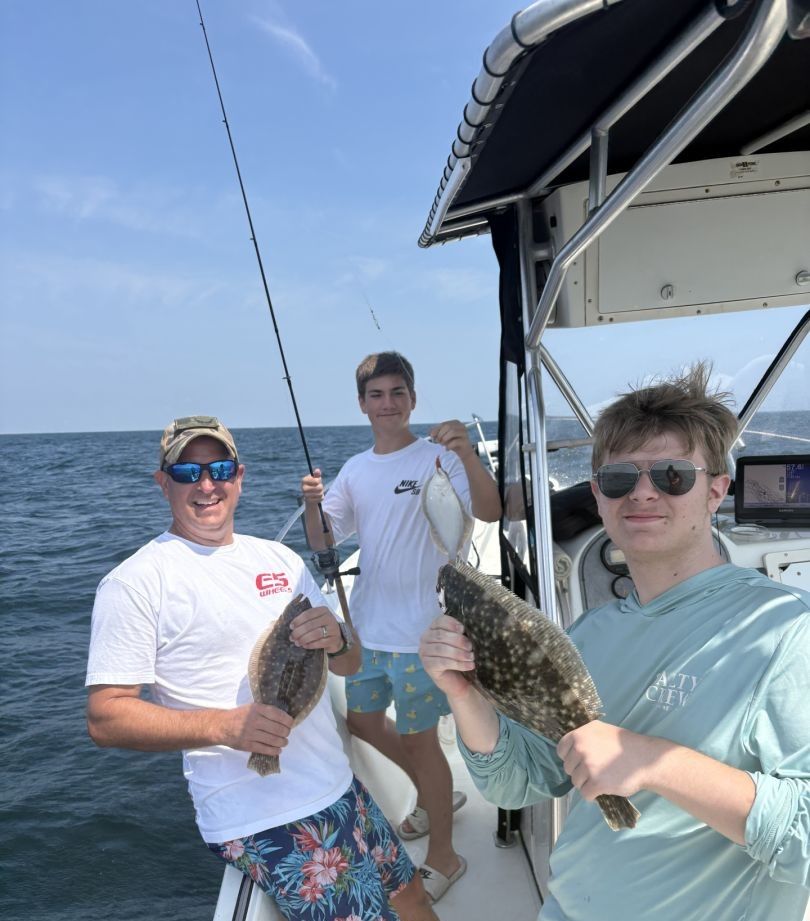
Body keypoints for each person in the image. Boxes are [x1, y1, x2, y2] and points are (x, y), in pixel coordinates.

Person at [420, 365, 810, 921]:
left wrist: (655, 762)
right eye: (619, 479)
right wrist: (465, 693)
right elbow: (518, 781)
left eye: (672, 476)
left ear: (715, 491)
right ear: (599, 496)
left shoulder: (783, 629)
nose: (643, 494)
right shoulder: (590, 632)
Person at [86, 414, 437, 921]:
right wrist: (225, 725)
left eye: (220, 468)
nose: (207, 485)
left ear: (240, 475)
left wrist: (338, 640)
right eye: (188, 473)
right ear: (163, 483)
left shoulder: (278, 558)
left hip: (337, 784)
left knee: (412, 897)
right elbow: (104, 717)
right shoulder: (136, 582)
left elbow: (349, 662)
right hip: (268, 816)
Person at [301, 352, 501, 902]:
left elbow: (490, 511)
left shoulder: (439, 457)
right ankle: (433, 791)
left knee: (420, 740)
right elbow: (324, 541)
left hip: (422, 635)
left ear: (412, 398)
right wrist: (313, 505)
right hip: (365, 632)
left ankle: (445, 854)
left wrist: (467, 453)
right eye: (376, 395)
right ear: (362, 405)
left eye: (397, 392)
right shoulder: (356, 470)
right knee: (365, 722)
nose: (387, 403)